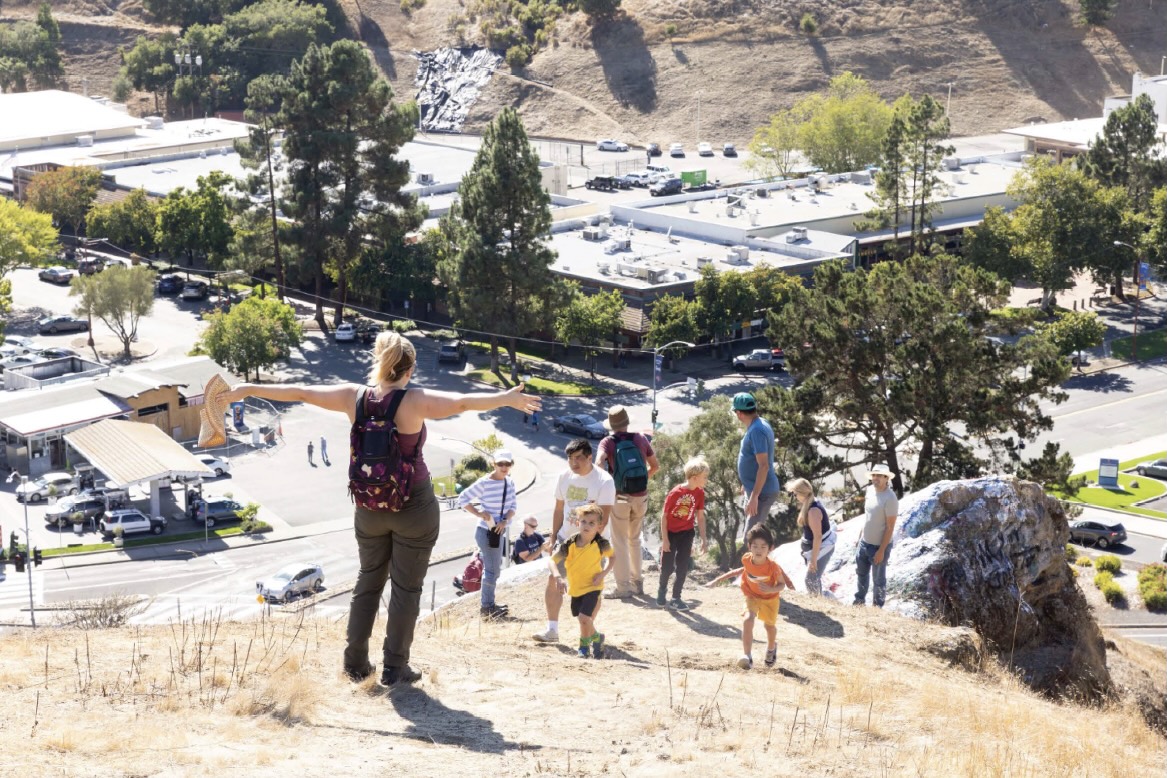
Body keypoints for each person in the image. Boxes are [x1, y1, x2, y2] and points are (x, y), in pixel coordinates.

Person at [222, 331, 539, 686]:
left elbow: (298, 392)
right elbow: (462, 402)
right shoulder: (414, 400)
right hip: (413, 505)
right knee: (406, 589)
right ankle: (395, 667)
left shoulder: (351, 396)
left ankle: (355, 663)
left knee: (367, 582)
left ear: (379, 361)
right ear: (410, 367)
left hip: (368, 505)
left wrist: (248, 388)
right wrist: (506, 398)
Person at [532, 438, 616, 644]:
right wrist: (553, 536)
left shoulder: (604, 481)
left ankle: (588, 633)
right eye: (570, 458)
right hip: (565, 539)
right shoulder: (564, 476)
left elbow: (603, 520)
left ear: (590, 457)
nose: (573, 463)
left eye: (579, 458)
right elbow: (559, 508)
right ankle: (552, 630)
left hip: (592, 545)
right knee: (554, 580)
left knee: (591, 588)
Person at [706, 524, 793, 671]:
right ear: (749, 546)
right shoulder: (747, 559)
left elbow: (781, 585)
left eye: (763, 547)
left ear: (770, 548)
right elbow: (739, 571)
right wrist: (716, 580)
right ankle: (747, 655)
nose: (758, 550)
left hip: (770, 599)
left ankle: (772, 648)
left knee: (769, 627)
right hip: (752, 596)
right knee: (748, 619)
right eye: (755, 546)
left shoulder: (773, 567)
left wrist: (770, 589)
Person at [595, 405, 659, 598]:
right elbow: (655, 466)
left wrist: (608, 485)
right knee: (635, 540)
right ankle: (637, 583)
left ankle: (623, 588)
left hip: (620, 498)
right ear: (627, 422)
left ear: (612, 425)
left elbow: (599, 463)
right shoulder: (640, 438)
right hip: (641, 497)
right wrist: (642, 481)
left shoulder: (608, 442)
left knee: (620, 542)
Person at [457, 449, 517, 619]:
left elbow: (513, 507)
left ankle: (490, 604)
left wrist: (505, 521)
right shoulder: (484, 483)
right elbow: (463, 498)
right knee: (491, 571)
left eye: (507, 464)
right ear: (494, 464)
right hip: (485, 531)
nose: (504, 467)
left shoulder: (509, 483)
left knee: (494, 570)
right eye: (500, 464)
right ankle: (487, 607)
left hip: (498, 532)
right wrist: (478, 514)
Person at [549, 504, 615, 659]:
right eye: (584, 521)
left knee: (584, 618)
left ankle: (583, 647)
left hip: (593, 586)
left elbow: (613, 557)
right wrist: (558, 576)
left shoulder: (601, 543)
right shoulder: (569, 543)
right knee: (582, 619)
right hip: (576, 588)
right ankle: (597, 638)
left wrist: (603, 574)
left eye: (592, 523)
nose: (587, 525)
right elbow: (552, 561)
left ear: (599, 526)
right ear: (577, 522)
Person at [657, 455, 709, 609]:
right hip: (671, 534)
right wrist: (665, 539)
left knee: (683, 566)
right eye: (704, 477)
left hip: (687, 533)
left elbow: (700, 517)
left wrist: (704, 539)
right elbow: (664, 517)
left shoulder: (699, 493)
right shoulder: (675, 493)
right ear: (694, 478)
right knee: (667, 568)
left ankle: (676, 597)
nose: (706, 480)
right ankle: (662, 590)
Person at [732, 392, 781, 538]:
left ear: (739, 413)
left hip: (762, 493)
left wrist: (754, 497)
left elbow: (764, 466)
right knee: (752, 533)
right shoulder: (759, 424)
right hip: (755, 488)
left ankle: (759, 561)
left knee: (752, 537)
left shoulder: (757, 431)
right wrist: (746, 484)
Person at [854, 463, 899, 608]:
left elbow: (890, 526)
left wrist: (881, 550)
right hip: (864, 542)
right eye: (874, 475)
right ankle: (859, 601)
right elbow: (868, 516)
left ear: (886, 478)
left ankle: (877, 607)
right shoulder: (869, 491)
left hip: (879, 546)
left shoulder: (890, 498)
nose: (876, 478)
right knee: (861, 574)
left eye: (879, 476)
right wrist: (860, 536)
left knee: (878, 579)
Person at [786, 478, 836, 597]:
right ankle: (820, 600)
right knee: (814, 579)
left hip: (821, 548)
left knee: (810, 580)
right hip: (815, 549)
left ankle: (820, 603)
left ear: (801, 493)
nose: (794, 496)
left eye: (795, 493)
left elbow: (818, 537)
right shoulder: (809, 503)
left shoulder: (813, 510)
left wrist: (813, 560)